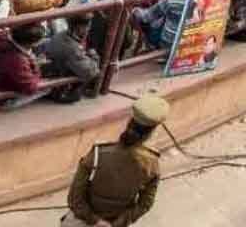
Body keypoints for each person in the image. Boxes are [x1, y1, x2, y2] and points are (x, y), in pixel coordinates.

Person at [63, 95, 168, 226]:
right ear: (151, 132)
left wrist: (96, 221)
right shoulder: (152, 165)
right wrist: (118, 223)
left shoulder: (98, 154)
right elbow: (145, 204)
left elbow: (75, 199)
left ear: (130, 122)